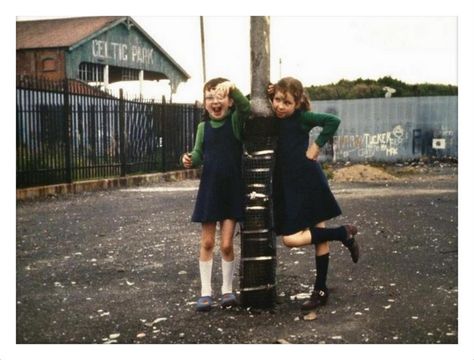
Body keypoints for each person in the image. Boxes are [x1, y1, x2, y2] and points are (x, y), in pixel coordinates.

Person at [268, 77, 360, 311]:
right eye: (277, 99)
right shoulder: (272, 114)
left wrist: (316, 146)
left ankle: (320, 289)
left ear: (297, 103)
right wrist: (269, 91)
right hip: (288, 184)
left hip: (308, 179)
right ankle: (343, 233)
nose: (280, 106)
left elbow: (333, 120)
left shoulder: (302, 118)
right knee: (293, 238)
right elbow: (251, 103)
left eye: (286, 102)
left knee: (314, 234)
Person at [182, 78, 250, 312]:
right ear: (204, 103)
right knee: (208, 242)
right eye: (209, 97)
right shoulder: (203, 128)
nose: (215, 102)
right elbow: (199, 153)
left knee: (227, 245)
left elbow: (247, 108)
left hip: (232, 190)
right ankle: (205, 292)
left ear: (230, 102)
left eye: (220, 96)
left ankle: (227, 290)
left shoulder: (235, 121)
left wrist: (233, 87)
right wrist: (190, 159)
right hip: (210, 190)